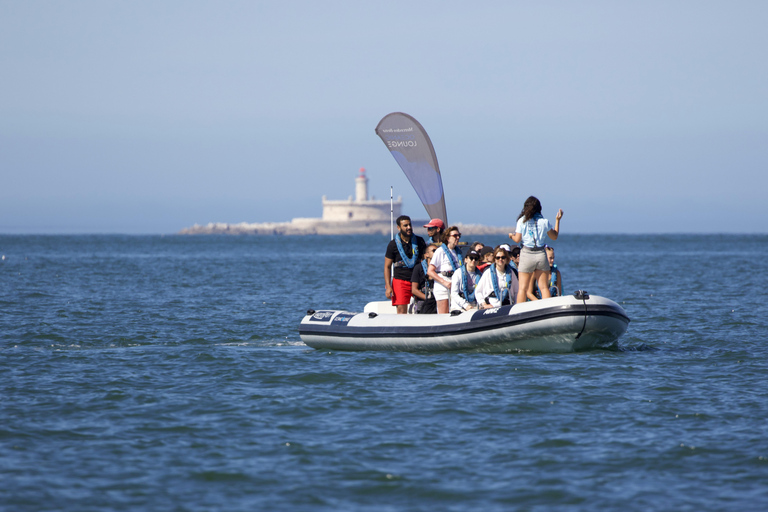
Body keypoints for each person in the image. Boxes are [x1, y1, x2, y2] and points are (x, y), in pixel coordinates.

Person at [508, 196, 563, 304]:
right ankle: (548, 310)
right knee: (543, 288)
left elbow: (517, 239)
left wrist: (511, 236)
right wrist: (557, 220)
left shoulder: (522, 221)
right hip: (541, 255)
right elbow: (554, 236)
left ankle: (519, 313)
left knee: (522, 288)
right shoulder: (544, 221)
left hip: (526, 254)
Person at [384, 215, 427, 314]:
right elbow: (387, 267)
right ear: (399, 227)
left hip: (417, 280)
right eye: (405, 225)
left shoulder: (419, 241)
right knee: (401, 311)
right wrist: (388, 286)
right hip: (400, 280)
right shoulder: (393, 245)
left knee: (425, 306)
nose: (409, 227)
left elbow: (425, 260)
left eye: (410, 225)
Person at [428, 226, 463, 314]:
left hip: (455, 287)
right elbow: (430, 271)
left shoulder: (458, 253)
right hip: (443, 286)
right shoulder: (440, 251)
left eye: (459, 235)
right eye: (455, 235)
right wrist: (444, 283)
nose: (457, 237)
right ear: (448, 238)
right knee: (444, 313)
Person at [411, 244, 438, 314]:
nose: (437, 252)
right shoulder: (418, 268)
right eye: (434, 251)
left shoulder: (440, 268)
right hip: (424, 299)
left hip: (438, 298)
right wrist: (428, 299)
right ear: (427, 255)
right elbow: (414, 290)